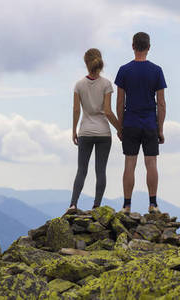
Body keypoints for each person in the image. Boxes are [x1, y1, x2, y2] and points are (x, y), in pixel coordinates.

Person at [114, 32, 167, 214]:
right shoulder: (156, 71)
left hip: (130, 122)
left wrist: (120, 126)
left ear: (132, 46)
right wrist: (160, 128)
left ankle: (126, 205)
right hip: (150, 123)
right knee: (151, 163)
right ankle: (153, 204)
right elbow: (161, 102)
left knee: (130, 163)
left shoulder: (124, 70)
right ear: (149, 47)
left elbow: (120, 102)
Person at [67, 48, 121, 214]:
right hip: (103, 133)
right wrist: (120, 129)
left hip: (85, 132)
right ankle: (96, 206)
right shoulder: (106, 84)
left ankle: (73, 204)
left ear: (86, 63)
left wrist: (74, 130)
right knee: (100, 171)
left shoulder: (79, 85)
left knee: (81, 170)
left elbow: (76, 110)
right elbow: (108, 111)